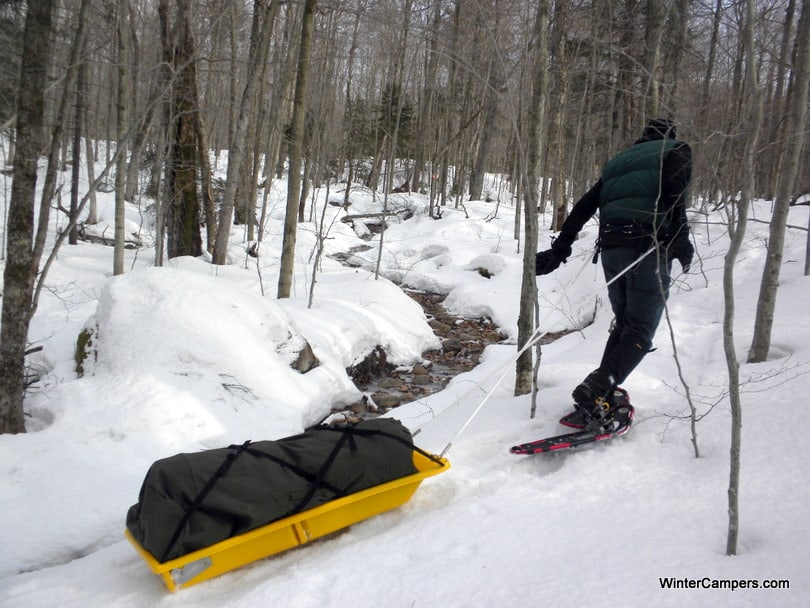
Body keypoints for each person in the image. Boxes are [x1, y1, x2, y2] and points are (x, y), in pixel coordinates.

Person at [535, 118, 693, 428]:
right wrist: (681, 240)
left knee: (625, 324)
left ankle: (599, 390)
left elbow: (583, 206)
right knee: (640, 330)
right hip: (647, 247)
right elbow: (676, 198)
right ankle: (599, 384)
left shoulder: (617, 163)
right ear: (669, 136)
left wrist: (560, 249)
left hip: (611, 249)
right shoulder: (676, 150)